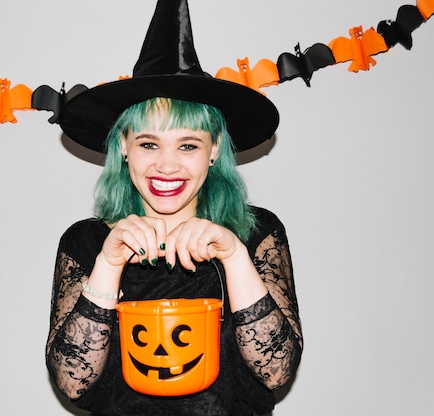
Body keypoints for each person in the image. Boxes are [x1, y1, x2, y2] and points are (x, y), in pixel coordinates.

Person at [46, 1, 302, 415]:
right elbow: (71, 381)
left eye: (188, 145)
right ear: (124, 148)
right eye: (149, 144)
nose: (167, 165)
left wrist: (234, 254)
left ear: (214, 150)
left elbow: (276, 371)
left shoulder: (257, 233)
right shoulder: (87, 242)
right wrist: (109, 263)